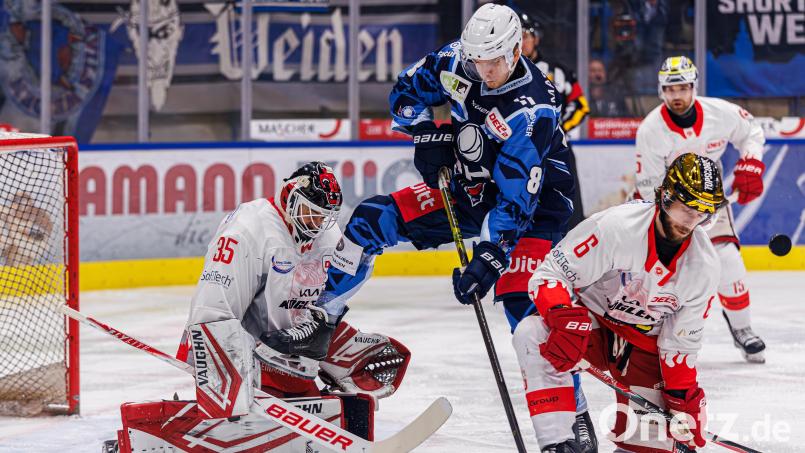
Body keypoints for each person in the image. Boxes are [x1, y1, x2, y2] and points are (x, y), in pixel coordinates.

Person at [261, 4, 595, 451]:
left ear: (516, 52)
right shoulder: (456, 60)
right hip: (467, 188)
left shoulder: (532, 109)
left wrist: (488, 258)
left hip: (534, 209)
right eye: (477, 59)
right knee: (371, 220)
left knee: (525, 309)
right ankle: (321, 321)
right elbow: (405, 91)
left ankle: (573, 418)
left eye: (493, 61)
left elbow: (515, 200)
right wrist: (424, 133)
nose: (483, 70)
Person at [104, 163, 412, 452]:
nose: (317, 225)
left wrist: (331, 343)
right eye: (311, 214)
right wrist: (226, 385)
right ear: (290, 197)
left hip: (291, 355)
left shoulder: (324, 235)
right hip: (247, 357)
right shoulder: (248, 229)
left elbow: (326, 300)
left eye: (324, 217)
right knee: (246, 423)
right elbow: (214, 306)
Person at [517, 153, 723, 452]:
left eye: (703, 212)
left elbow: (680, 344)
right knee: (533, 334)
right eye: (687, 208)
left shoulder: (704, 266)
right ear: (666, 197)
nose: (691, 221)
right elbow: (551, 273)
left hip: (644, 347)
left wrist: (682, 400)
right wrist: (562, 316)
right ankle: (557, 443)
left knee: (647, 446)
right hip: (593, 328)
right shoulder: (616, 227)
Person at [634, 56, 767, 363]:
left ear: (694, 87)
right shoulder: (651, 130)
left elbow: (751, 131)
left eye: (682, 88)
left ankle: (743, 328)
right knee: (661, 275)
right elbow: (650, 186)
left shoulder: (719, 113)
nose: (676, 96)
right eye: (670, 89)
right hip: (669, 208)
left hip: (712, 200)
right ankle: (648, 333)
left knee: (728, 260)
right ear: (661, 91)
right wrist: (677, 215)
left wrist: (751, 163)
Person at [520, 12, 588, 230]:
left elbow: (581, 106)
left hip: (556, 149)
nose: (521, 42)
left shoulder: (557, 71)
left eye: (525, 36)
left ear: (536, 38)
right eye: (515, 37)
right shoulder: (502, 72)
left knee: (569, 207)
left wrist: (559, 130)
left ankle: (574, 242)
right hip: (519, 150)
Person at [0, 191, 54, 266]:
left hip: (32, 247)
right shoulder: (11, 213)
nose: (14, 204)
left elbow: (40, 236)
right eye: (15, 201)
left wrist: (20, 230)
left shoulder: (39, 214)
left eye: (18, 200)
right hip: (16, 247)